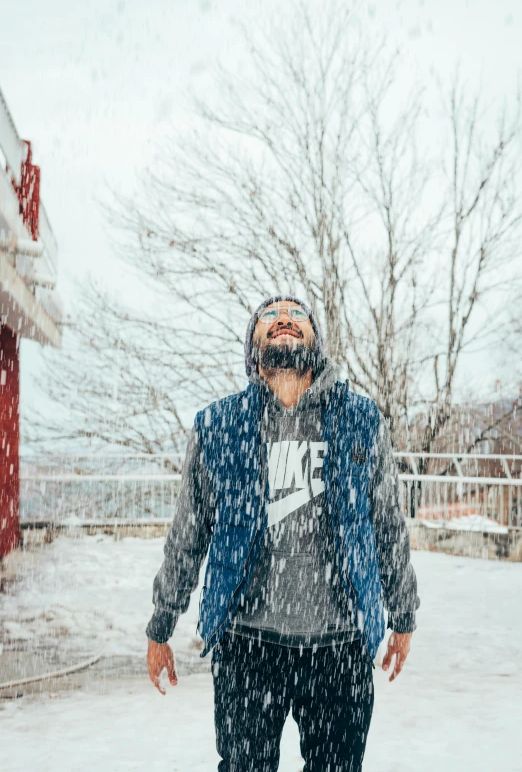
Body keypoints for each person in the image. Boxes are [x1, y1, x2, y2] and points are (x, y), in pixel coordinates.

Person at [146, 296, 420, 772]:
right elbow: (188, 533)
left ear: (317, 342)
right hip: (247, 646)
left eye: (297, 315)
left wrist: (403, 612)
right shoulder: (220, 427)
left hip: (340, 647)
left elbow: (387, 525)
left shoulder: (360, 419)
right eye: (270, 316)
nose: (284, 319)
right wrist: (162, 621)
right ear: (253, 345)